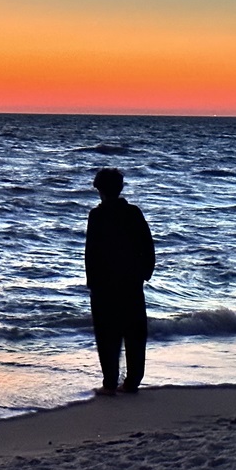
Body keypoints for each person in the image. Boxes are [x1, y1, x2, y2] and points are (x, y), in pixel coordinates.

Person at [84, 167, 155, 395]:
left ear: (99, 189)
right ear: (120, 188)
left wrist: (92, 282)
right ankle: (132, 381)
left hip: (105, 284)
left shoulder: (98, 216)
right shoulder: (133, 213)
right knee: (134, 333)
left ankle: (110, 383)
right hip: (131, 282)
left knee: (107, 334)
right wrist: (144, 273)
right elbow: (148, 246)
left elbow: (91, 253)